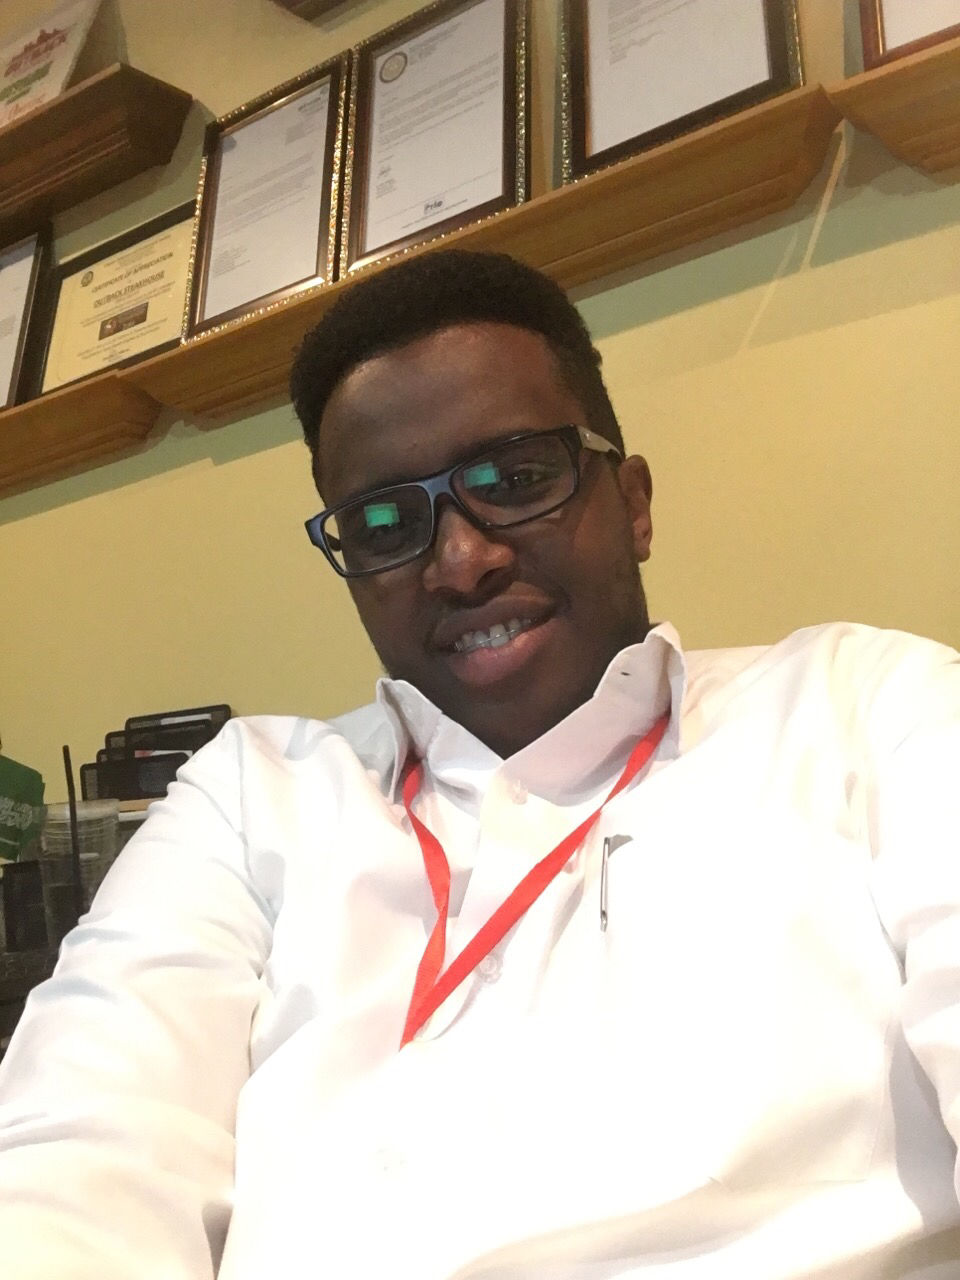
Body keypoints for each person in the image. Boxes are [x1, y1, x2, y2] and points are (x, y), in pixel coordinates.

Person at [1, 249, 959, 1280]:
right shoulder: (250, 796)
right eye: (384, 524)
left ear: (633, 503)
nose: (461, 561)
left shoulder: (867, 707)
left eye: (515, 479)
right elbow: (78, 1153)